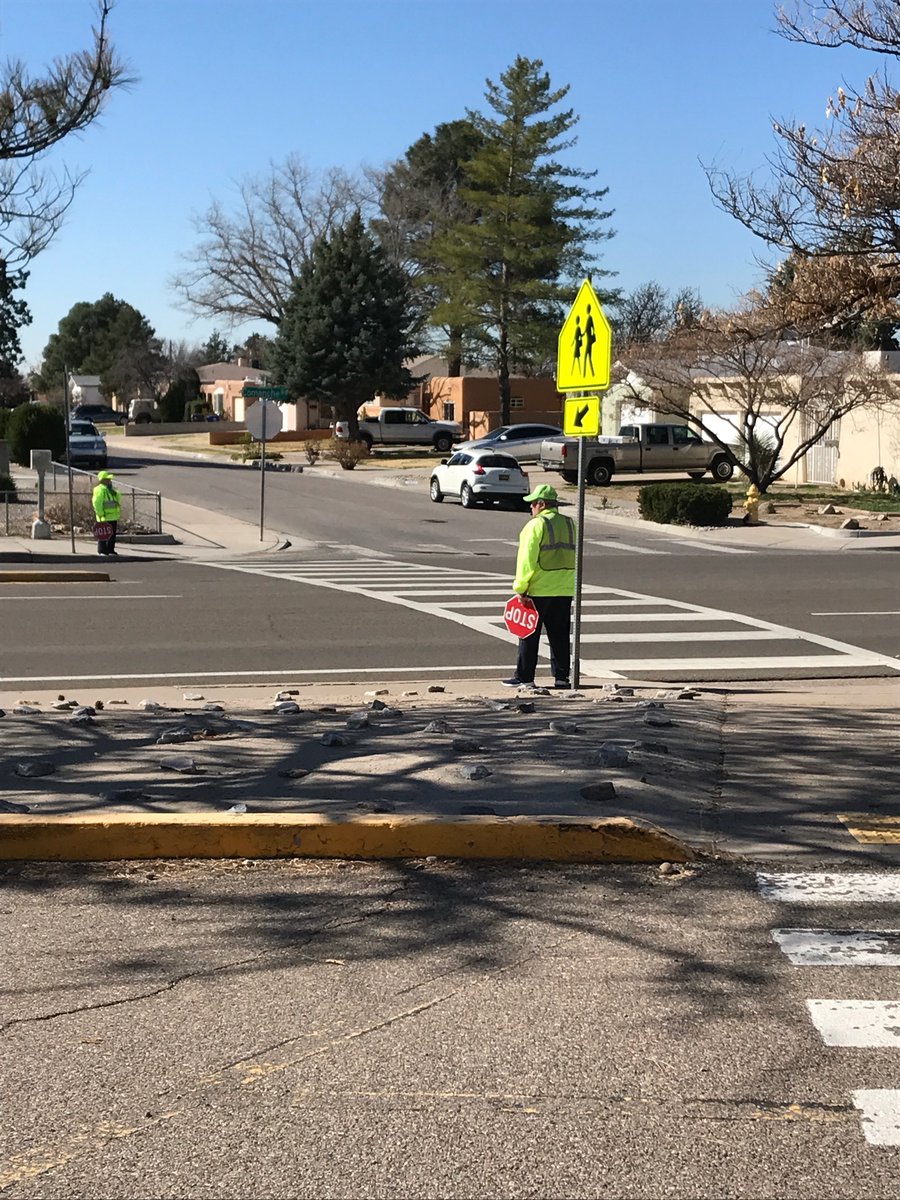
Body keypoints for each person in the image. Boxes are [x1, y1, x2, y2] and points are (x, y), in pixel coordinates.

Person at [502, 483, 576, 690]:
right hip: (564, 589)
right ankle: (562, 677)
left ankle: (525, 677)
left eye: (533, 504)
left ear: (542, 504)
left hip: (539, 589)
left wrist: (521, 588)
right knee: (560, 635)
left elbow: (526, 559)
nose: (531, 508)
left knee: (528, 634)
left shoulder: (536, 525)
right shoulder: (570, 524)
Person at [92, 470, 122, 557]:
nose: (110, 481)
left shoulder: (110, 489)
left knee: (112, 535)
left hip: (113, 516)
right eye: (108, 479)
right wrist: (100, 514)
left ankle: (110, 550)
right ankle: (102, 550)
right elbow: (97, 503)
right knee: (103, 534)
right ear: (103, 480)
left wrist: (114, 492)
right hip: (104, 516)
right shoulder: (99, 490)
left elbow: (118, 499)